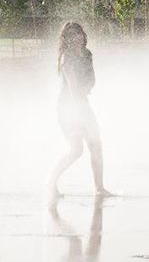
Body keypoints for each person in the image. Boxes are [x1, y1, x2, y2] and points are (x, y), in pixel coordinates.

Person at [48, 22, 112, 198]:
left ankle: (99, 188)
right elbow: (73, 89)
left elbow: (92, 80)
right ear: (66, 39)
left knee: (96, 145)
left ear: (83, 35)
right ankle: (50, 182)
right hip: (69, 108)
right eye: (72, 35)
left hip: (82, 104)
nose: (76, 38)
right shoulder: (66, 59)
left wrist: (86, 91)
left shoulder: (87, 54)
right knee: (76, 150)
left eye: (79, 34)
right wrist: (81, 111)